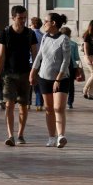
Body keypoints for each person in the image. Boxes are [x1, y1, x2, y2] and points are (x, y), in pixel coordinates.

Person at [0, 5, 38, 147]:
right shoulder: (5, 33)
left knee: (23, 105)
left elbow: (35, 54)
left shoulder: (30, 34)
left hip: (25, 74)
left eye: (24, 18)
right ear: (13, 17)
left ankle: (20, 134)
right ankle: (10, 135)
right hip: (9, 74)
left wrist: (34, 73)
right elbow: (1, 56)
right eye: (20, 18)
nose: (23, 20)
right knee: (9, 104)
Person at [29, 13, 71, 148]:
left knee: (58, 108)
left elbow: (66, 60)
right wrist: (33, 72)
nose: (44, 23)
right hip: (44, 77)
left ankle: (61, 136)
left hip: (61, 78)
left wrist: (58, 79)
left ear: (53, 23)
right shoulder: (45, 37)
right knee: (49, 109)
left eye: (46, 21)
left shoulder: (64, 38)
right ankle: (51, 137)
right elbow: (39, 55)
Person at [60, 26, 80, 109]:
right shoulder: (74, 44)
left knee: (61, 84)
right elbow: (76, 57)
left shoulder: (59, 43)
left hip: (61, 66)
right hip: (72, 66)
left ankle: (60, 101)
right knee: (71, 85)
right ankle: (70, 102)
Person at [30, 17, 44, 111]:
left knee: (29, 83)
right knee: (38, 84)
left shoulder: (30, 34)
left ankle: (27, 103)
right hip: (41, 61)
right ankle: (39, 104)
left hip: (30, 61)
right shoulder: (43, 35)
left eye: (30, 24)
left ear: (34, 24)